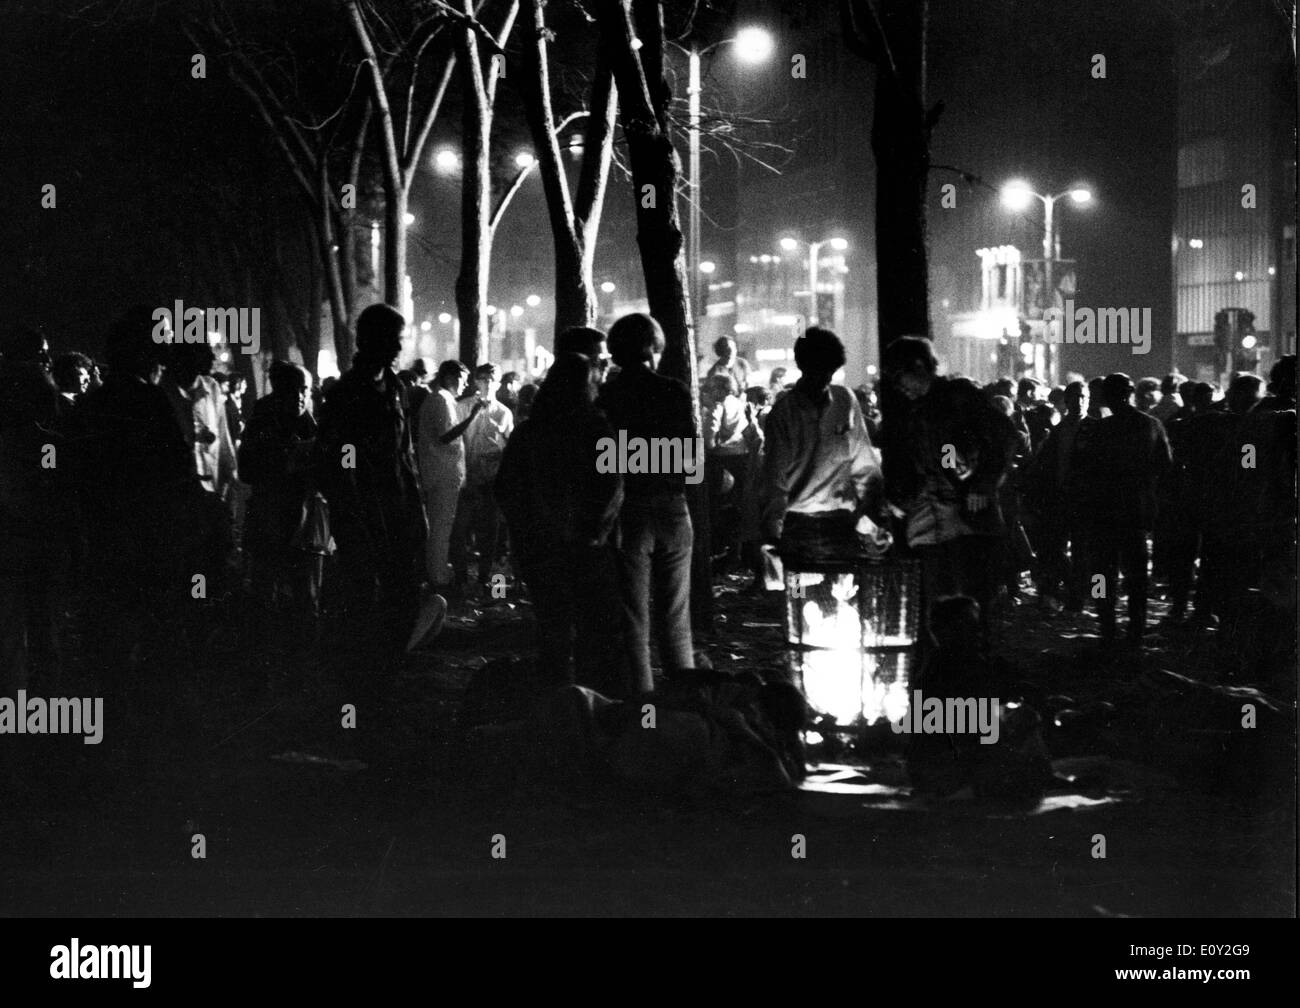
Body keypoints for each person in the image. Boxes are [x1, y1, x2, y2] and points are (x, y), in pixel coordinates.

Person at [496, 352, 624, 691]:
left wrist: (522, 537)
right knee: (592, 630)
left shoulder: (528, 432)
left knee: (552, 630)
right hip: (585, 548)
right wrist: (596, 531)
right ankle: (587, 705)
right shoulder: (596, 429)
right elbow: (611, 485)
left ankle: (555, 705)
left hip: (540, 547)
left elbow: (507, 489)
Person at [880, 336, 1012, 653]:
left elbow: (1003, 436)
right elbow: (920, 466)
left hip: (966, 517)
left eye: (901, 377)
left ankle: (977, 670)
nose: (900, 386)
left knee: (973, 600)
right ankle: (948, 670)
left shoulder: (960, 396)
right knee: (937, 604)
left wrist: (984, 483)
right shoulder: (915, 412)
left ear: (920, 367)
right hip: (930, 521)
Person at [315, 303, 426, 674]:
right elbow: (340, 462)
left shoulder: (395, 387)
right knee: (364, 598)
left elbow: (403, 453)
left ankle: (388, 666)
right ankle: (361, 678)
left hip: (397, 510)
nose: (399, 348)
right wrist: (358, 516)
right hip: (362, 514)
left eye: (401, 340)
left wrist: (416, 507)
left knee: (404, 592)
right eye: (393, 340)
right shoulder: (347, 394)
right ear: (370, 340)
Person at [596, 313, 696, 694]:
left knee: (634, 621)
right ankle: (685, 702)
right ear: (655, 347)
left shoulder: (608, 395)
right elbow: (689, 460)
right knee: (676, 619)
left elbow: (608, 459)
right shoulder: (675, 392)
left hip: (629, 511)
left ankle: (645, 711)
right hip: (672, 507)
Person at [761, 327, 883, 561]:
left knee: (844, 593)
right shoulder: (783, 414)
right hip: (797, 529)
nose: (824, 379)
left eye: (828, 372)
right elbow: (774, 480)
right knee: (797, 593)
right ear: (802, 367)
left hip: (842, 526)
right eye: (818, 371)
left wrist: (870, 512)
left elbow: (864, 463)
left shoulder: (845, 401)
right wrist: (773, 535)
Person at [1078, 373, 1172, 647]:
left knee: (1101, 572)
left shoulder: (1097, 429)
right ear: (1131, 392)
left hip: (1102, 511)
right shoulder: (1151, 425)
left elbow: (1084, 470)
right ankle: (1136, 628)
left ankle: (1106, 624)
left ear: (1105, 395)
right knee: (1136, 575)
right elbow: (1165, 467)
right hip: (1135, 511)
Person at [239, 361, 327, 623]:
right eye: (293, 390)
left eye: (305, 390)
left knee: (306, 600)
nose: (300, 397)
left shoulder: (309, 424)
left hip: (306, 526)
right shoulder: (261, 423)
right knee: (267, 596)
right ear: (278, 391)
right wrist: (288, 455)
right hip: (272, 521)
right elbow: (247, 470)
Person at [417, 360, 481, 591]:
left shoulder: (442, 399)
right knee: (441, 527)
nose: (465, 385)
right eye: (463, 379)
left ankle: (438, 572)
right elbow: (446, 436)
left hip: (442, 472)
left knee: (441, 526)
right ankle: (439, 576)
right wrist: (473, 415)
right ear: (450, 378)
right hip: (442, 473)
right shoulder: (441, 400)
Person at [450, 363, 513, 594]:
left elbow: (509, 444)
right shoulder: (461, 407)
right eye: (483, 378)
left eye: (491, 379)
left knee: (489, 532)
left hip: (489, 480)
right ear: (476, 381)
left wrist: (500, 452)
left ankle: (486, 578)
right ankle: (460, 577)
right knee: (460, 529)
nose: (487, 383)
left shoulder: (504, 412)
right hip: (466, 478)